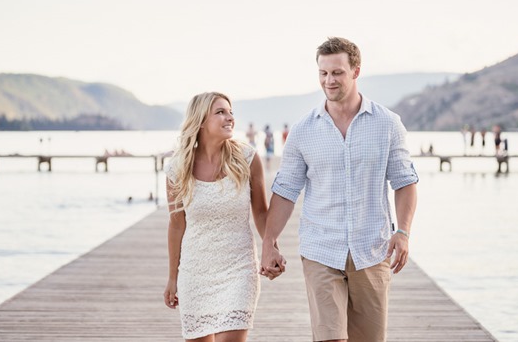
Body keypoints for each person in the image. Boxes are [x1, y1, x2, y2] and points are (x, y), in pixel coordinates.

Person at [260, 37, 419, 342]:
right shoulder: (303, 131)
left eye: (337, 73)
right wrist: (269, 242)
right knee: (329, 338)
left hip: (372, 249)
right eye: (323, 73)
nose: (329, 81)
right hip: (321, 249)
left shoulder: (387, 124)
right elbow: (285, 191)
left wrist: (404, 231)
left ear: (356, 71)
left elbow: (405, 182)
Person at [163, 92, 270, 342]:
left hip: (239, 269)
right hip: (195, 273)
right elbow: (177, 225)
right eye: (220, 112)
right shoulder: (177, 168)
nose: (229, 117)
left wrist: (270, 248)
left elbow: (261, 212)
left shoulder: (247, 159)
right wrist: (172, 277)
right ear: (200, 121)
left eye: (230, 111)